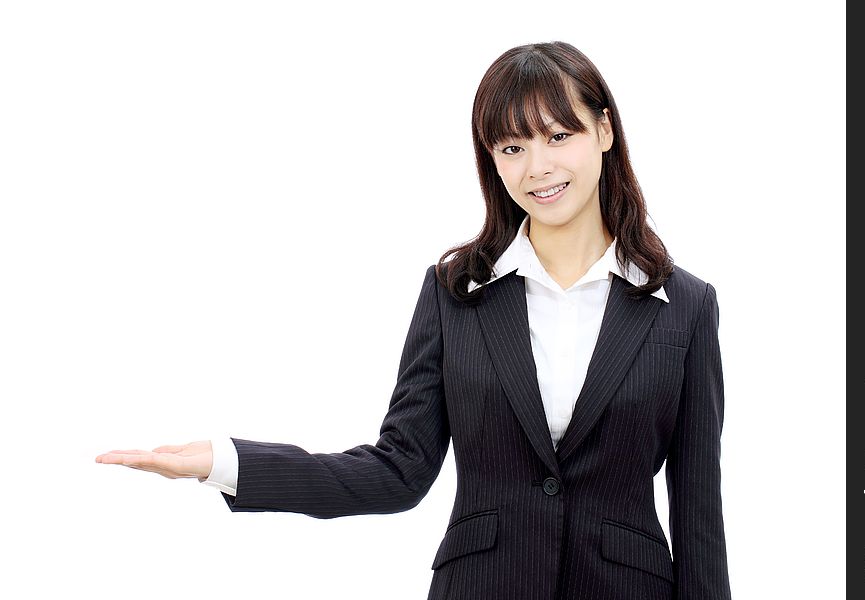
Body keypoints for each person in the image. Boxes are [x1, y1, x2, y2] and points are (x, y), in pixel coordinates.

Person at [97, 40, 732, 600]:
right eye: (513, 146)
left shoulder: (686, 307)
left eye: (558, 136)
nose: (538, 167)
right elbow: (397, 470)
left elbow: (699, 517)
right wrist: (228, 462)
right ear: (492, 158)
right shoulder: (456, 293)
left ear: (604, 130)